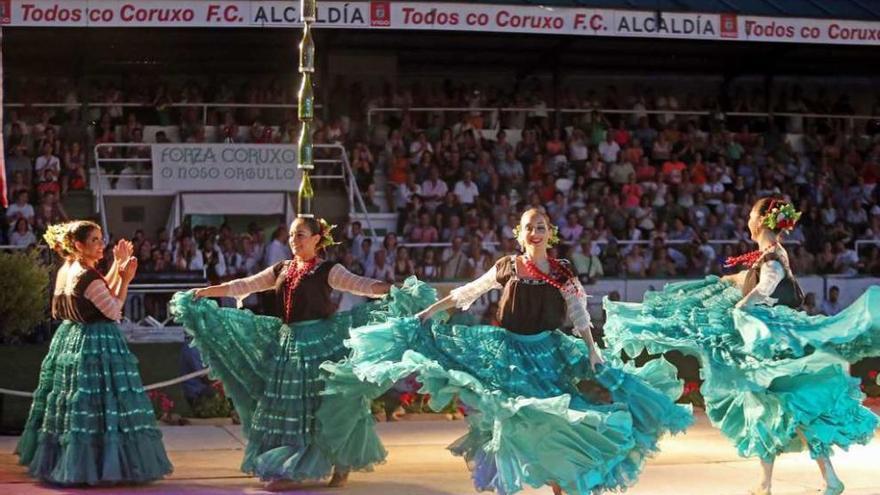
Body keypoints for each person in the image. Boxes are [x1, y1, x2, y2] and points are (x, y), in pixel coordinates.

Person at [316, 208, 692, 495]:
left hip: (546, 356)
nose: (535, 231)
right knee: (507, 420)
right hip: (507, 353)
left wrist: (593, 351)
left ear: (550, 233)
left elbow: (579, 315)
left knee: (554, 418)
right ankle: (511, 483)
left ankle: (563, 483)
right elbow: (466, 293)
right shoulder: (507, 266)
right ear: (520, 233)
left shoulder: (562, 272)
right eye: (529, 226)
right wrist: (428, 312)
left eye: (541, 225)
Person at [603, 197, 880, 495]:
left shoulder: (772, 256)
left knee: (786, 408)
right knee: (768, 409)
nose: (747, 219)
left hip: (772, 345)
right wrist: (723, 282)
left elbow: (766, 284)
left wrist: (743, 306)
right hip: (767, 343)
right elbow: (749, 277)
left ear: (761, 220)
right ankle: (774, 482)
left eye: (750, 215)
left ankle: (821, 479)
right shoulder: (766, 256)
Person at [169, 217, 432, 490]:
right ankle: (290, 468)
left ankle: (340, 463)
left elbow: (362, 284)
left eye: (301, 235)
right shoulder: (282, 268)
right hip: (288, 345)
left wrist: (396, 290)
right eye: (292, 235)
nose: (294, 240)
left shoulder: (329, 270)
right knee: (289, 409)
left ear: (317, 239)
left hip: (320, 345)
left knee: (327, 406)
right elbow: (243, 285)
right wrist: (205, 292)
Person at [16, 221, 172, 485]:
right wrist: (126, 279)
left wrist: (115, 265)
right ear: (78, 244)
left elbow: (100, 292)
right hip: (95, 342)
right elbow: (112, 308)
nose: (101, 244)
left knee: (78, 407)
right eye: (95, 240)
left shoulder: (70, 269)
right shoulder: (84, 275)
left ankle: (74, 463)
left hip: (71, 338)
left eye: (101, 239)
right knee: (102, 405)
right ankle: (99, 466)